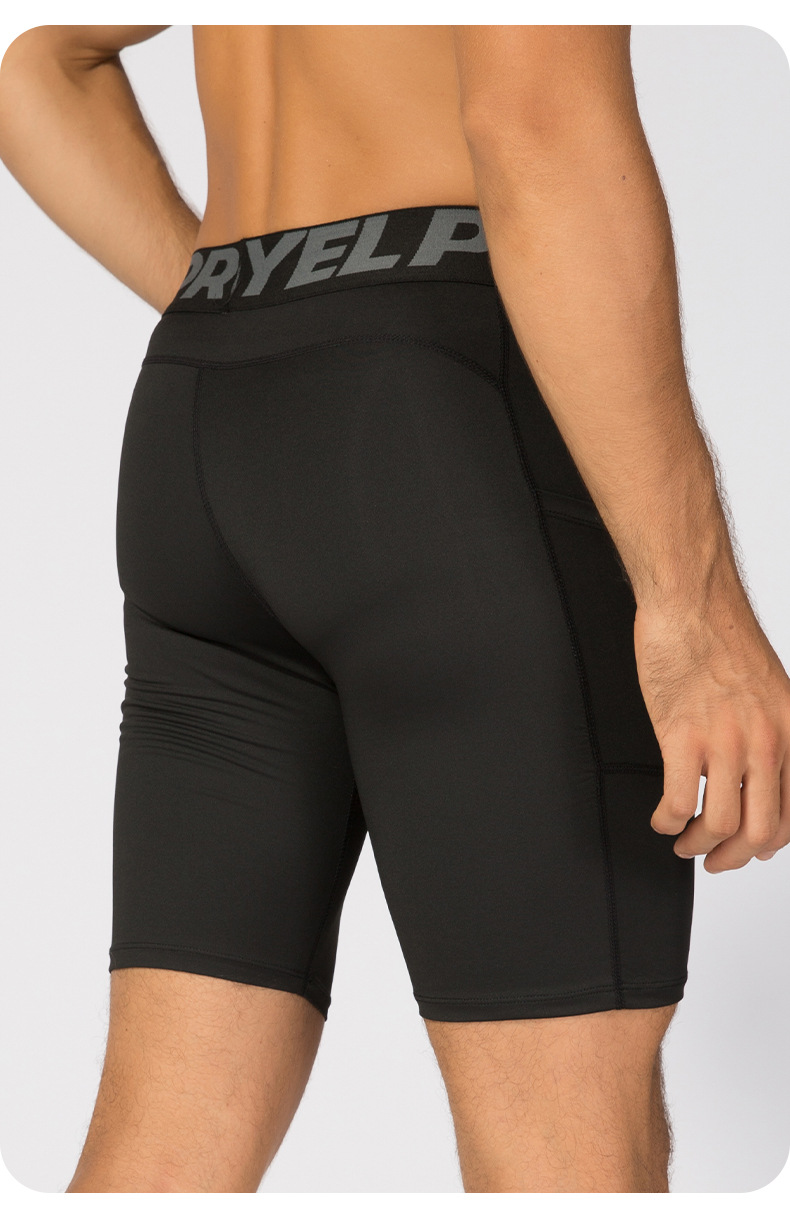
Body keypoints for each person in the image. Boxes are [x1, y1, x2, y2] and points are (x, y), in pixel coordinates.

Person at [0, 24, 788, 1196]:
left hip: (207, 416)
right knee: (562, 1145)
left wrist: (267, 319)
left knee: (163, 1155)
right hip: (442, 435)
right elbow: (533, 121)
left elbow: (31, 58)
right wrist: (695, 607)